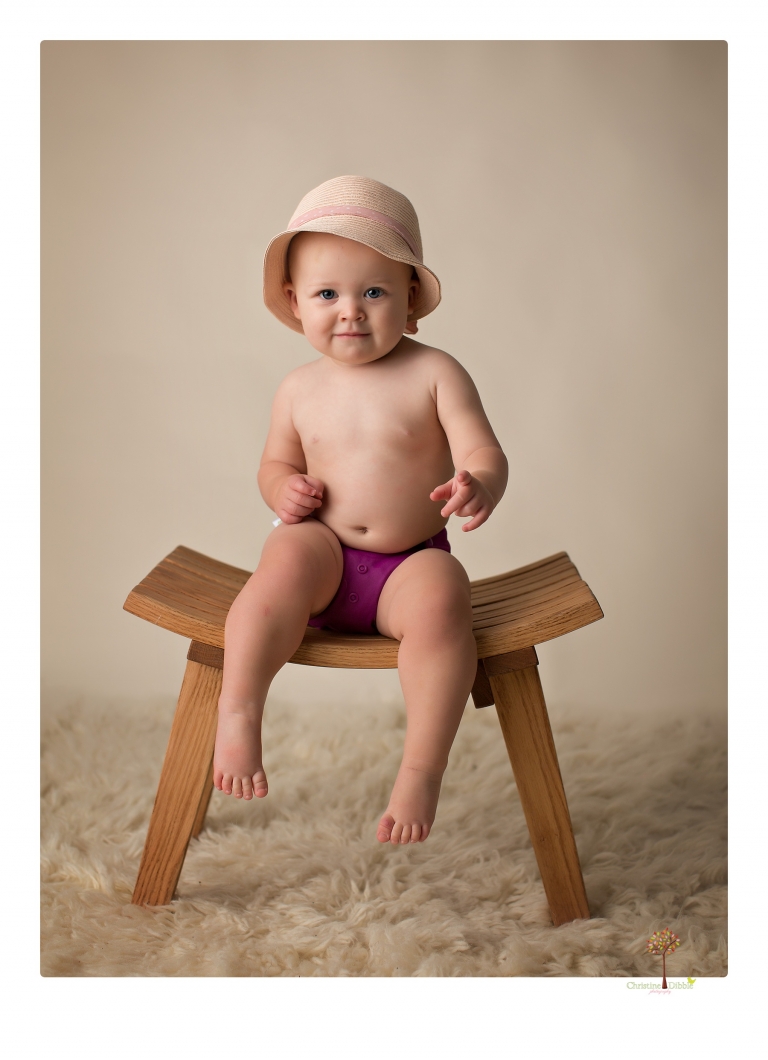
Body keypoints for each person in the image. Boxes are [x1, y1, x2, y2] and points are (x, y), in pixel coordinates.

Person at [213, 175, 508, 845]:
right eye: (327, 294)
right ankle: (239, 711)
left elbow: (483, 449)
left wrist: (479, 482)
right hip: (323, 553)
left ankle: (421, 769)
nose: (350, 311)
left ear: (409, 300)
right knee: (278, 565)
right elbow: (274, 464)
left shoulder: (435, 372)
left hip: (406, 567)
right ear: (295, 303)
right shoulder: (298, 388)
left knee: (445, 599)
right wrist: (282, 489)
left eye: (373, 291)